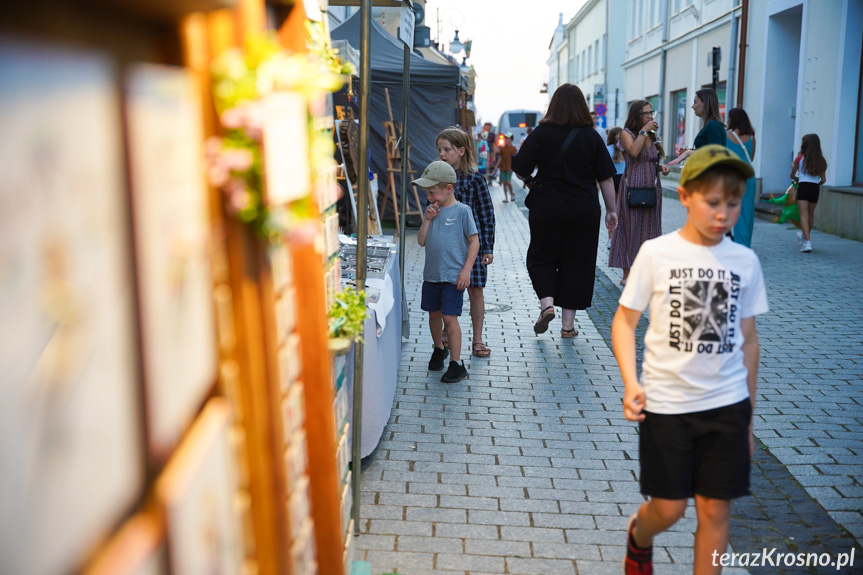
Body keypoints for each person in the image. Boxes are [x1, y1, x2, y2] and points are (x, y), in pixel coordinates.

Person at [612, 144, 768, 575]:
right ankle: (638, 535)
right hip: (667, 406)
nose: (723, 213)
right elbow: (623, 323)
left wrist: (749, 419)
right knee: (669, 510)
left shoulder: (745, 262)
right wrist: (631, 383)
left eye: (733, 203)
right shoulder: (657, 253)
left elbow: (750, 341)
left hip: (727, 406)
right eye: (713, 202)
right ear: (683, 197)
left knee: (716, 513)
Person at [512, 83, 618, 338]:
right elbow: (606, 178)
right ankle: (568, 326)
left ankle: (547, 306)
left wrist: (530, 183)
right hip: (583, 208)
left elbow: (519, 165)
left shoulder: (541, 133)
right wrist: (612, 211)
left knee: (541, 257)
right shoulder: (592, 136)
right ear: (582, 107)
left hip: (547, 205)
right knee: (578, 263)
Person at [414, 160, 479, 383]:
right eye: (427, 193)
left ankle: (457, 363)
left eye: (432, 192)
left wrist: (466, 270)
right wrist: (427, 220)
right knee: (433, 314)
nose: (429, 197)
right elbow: (421, 241)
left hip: (453, 277)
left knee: (450, 318)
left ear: (448, 189)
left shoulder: (462, 211)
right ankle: (438, 348)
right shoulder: (431, 211)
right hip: (432, 275)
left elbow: (474, 242)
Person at [436, 127, 496, 357]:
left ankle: (478, 338)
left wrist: (488, 246)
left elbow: (487, 215)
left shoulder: (475, 180)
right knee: (447, 289)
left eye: (447, 149)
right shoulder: (439, 179)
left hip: (473, 245)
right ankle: (446, 331)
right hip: (448, 246)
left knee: (476, 291)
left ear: (461, 151)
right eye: (439, 149)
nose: (442, 154)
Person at [609, 100, 670, 286]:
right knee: (631, 228)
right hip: (633, 187)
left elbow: (650, 160)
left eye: (651, 112)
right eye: (646, 113)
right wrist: (644, 131)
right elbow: (634, 153)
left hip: (651, 188)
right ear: (637, 115)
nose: (650, 116)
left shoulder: (651, 135)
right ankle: (628, 274)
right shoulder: (626, 134)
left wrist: (661, 167)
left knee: (650, 230)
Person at [668, 88, 727, 166]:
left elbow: (715, 154)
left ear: (705, 103)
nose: (692, 106)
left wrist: (689, 153)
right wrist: (690, 151)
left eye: (695, 102)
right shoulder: (710, 124)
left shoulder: (713, 125)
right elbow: (707, 151)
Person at [790, 133, 828, 253]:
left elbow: (792, 175)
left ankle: (807, 242)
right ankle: (805, 238)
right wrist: (817, 182)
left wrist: (797, 178)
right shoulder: (821, 160)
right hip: (814, 188)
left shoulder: (799, 158)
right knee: (811, 215)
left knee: (803, 216)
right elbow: (823, 180)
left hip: (803, 187)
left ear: (805, 144)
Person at [725, 108, 757, 247]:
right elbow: (751, 158)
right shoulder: (751, 137)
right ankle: (744, 245)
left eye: (729, 117)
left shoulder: (726, 135)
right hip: (749, 176)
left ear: (733, 119)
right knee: (747, 213)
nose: (727, 120)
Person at [606, 126, 626, 249]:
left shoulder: (607, 149)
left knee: (611, 210)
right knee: (621, 210)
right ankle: (620, 237)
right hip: (623, 179)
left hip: (611, 180)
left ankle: (610, 238)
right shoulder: (626, 149)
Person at [498, 132, 518, 203]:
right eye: (506, 138)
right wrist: (496, 167)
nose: (506, 139)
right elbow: (500, 158)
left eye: (508, 138)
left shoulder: (513, 148)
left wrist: (513, 167)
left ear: (511, 139)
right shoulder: (502, 148)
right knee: (504, 183)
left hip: (510, 168)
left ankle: (512, 193)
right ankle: (506, 198)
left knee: (508, 182)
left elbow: (515, 159)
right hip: (502, 168)